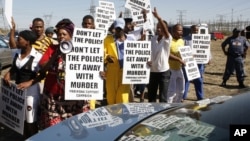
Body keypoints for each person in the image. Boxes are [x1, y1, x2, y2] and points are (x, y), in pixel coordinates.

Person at [38, 19, 91, 129]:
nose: (61, 36)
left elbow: (91, 69)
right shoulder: (52, 48)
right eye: (59, 34)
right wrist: (55, 55)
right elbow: (43, 68)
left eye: (64, 34)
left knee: (76, 128)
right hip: (54, 98)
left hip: (75, 98)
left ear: (71, 35)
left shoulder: (81, 50)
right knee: (54, 129)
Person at [3, 30, 43, 139]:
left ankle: (34, 138)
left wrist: (30, 82)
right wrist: (9, 73)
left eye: (19, 39)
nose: (17, 40)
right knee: (22, 120)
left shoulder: (38, 57)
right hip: (17, 93)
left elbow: (43, 74)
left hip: (31, 94)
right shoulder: (17, 52)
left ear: (27, 42)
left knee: (31, 121)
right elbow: (15, 68)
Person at [147, 7, 172, 102]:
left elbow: (166, 32)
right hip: (152, 72)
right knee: (151, 97)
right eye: (157, 26)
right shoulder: (153, 38)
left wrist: (158, 18)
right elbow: (148, 51)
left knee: (163, 98)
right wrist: (147, 60)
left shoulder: (167, 39)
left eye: (161, 27)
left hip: (163, 72)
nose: (158, 28)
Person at [104, 18, 130, 105]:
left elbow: (139, 53)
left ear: (124, 28)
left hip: (126, 72)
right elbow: (102, 52)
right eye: (117, 29)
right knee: (111, 96)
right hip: (112, 71)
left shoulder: (131, 39)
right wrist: (107, 57)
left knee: (123, 96)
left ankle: (122, 115)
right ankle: (112, 115)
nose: (119, 31)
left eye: (120, 28)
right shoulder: (107, 39)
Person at [182, 25, 204, 101]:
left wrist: (208, 58)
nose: (196, 32)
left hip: (200, 63)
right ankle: (183, 96)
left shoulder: (203, 39)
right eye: (194, 30)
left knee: (199, 80)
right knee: (186, 80)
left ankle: (200, 97)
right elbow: (182, 50)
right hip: (189, 63)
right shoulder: (185, 39)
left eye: (197, 30)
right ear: (191, 30)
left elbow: (206, 50)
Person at [81, 15, 97, 109]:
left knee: (91, 104)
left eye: (89, 24)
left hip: (93, 74)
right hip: (80, 74)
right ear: (82, 24)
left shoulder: (99, 38)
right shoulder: (76, 37)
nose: (87, 26)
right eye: (85, 24)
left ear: (93, 25)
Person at [167, 24, 186, 103]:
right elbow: (167, 54)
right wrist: (178, 59)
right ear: (173, 32)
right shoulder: (169, 41)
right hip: (170, 69)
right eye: (179, 30)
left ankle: (176, 106)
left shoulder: (182, 41)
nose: (181, 32)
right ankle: (168, 107)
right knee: (171, 92)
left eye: (182, 30)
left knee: (181, 90)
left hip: (179, 69)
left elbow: (184, 53)